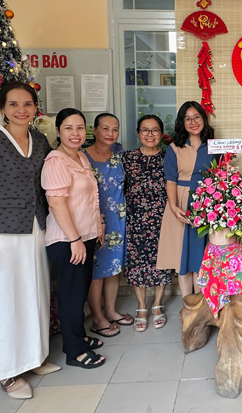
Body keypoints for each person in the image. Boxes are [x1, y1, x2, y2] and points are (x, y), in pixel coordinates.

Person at [0, 81, 60, 400]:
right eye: (14, 104)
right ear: (3, 108)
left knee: (34, 293)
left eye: (28, 104)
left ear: (36, 107)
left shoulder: (40, 140)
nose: (22, 110)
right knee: (6, 299)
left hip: (35, 227)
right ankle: (8, 371)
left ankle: (34, 357)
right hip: (3, 232)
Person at [42, 108, 106, 369]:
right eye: (68, 128)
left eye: (80, 127)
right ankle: (74, 351)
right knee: (70, 296)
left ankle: (79, 337)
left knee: (79, 292)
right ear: (58, 131)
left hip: (84, 235)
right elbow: (57, 204)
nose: (75, 133)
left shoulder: (80, 157)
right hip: (67, 240)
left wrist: (98, 226)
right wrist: (74, 239)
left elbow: (89, 197)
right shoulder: (55, 161)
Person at [157, 101, 218, 298]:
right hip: (182, 202)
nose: (193, 122)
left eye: (197, 117)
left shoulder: (214, 146)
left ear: (204, 119)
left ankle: (200, 305)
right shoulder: (174, 148)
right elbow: (170, 180)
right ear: (182, 123)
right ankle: (187, 305)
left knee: (201, 255)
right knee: (182, 255)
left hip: (207, 203)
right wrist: (174, 207)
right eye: (188, 119)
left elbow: (221, 175)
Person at [84, 113, 133, 338]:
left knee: (114, 266)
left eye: (115, 129)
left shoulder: (119, 153)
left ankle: (111, 310)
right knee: (96, 270)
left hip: (118, 218)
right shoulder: (83, 156)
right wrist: (96, 219)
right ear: (94, 130)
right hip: (95, 219)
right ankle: (97, 318)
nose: (111, 133)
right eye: (105, 128)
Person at [123, 115, 173, 331]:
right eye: (145, 130)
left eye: (154, 130)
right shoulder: (128, 158)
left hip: (162, 217)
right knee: (137, 263)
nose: (150, 134)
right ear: (138, 133)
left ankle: (158, 304)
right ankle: (141, 306)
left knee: (161, 261)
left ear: (161, 133)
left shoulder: (169, 157)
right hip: (135, 218)